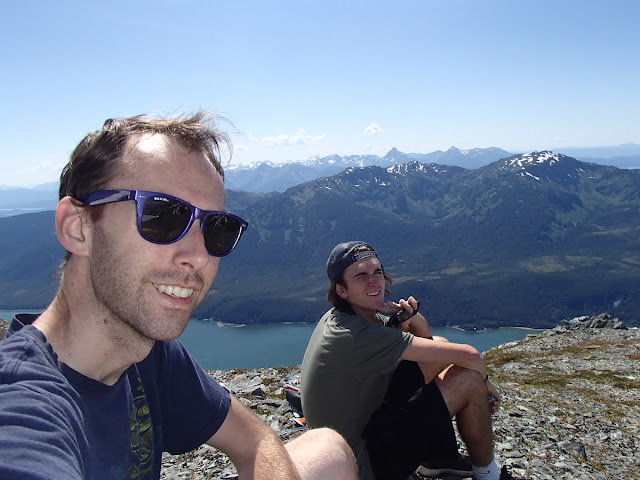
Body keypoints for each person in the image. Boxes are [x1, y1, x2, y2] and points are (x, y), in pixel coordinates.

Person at [0, 113, 358, 480]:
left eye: (218, 229)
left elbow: (255, 440)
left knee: (327, 448)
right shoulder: (21, 408)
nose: (200, 256)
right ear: (77, 228)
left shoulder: (146, 352)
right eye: (162, 217)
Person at [301, 241, 518, 480]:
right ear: (342, 290)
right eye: (361, 276)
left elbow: (429, 341)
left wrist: (410, 317)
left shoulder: (348, 317)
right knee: (469, 380)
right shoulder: (358, 335)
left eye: (377, 273)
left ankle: (439, 460)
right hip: (363, 465)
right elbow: (470, 355)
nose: (374, 282)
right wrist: (487, 385)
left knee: (442, 345)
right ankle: (489, 476)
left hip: (362, 435)